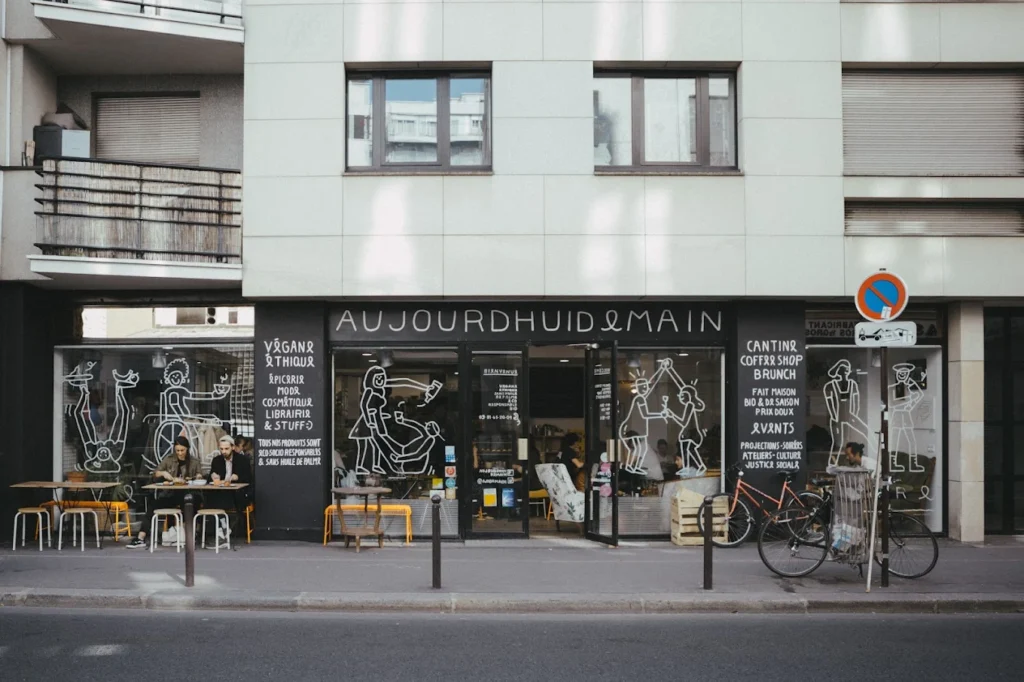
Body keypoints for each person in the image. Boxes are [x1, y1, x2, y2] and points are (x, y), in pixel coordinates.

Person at [127, 436, 203, 548]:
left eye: (182, 450)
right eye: (177, 450)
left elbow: (200, 476)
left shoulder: (194, 462)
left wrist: (197, 477)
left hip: (188, 494)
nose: (180, 453)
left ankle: (187, 535)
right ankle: (140, 538)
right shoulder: (169, 459)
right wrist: (163, 474)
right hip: (171, 494)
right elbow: (156, 473)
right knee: (153, 506)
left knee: (191, 503)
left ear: (187, 449)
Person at [208, 435, 252, 543]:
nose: (224, 451)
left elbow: (249, 478)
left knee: (220, 498)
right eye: (221, 449)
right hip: (222, 491)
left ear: (233, 447)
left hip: (238, 492)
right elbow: (210, 476)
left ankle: (222, 529)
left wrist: (238, 477)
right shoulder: (217, 460)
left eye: (226, 449)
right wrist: (213, 476)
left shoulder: (242, 460)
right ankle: (222, 528)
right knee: (210, 496)